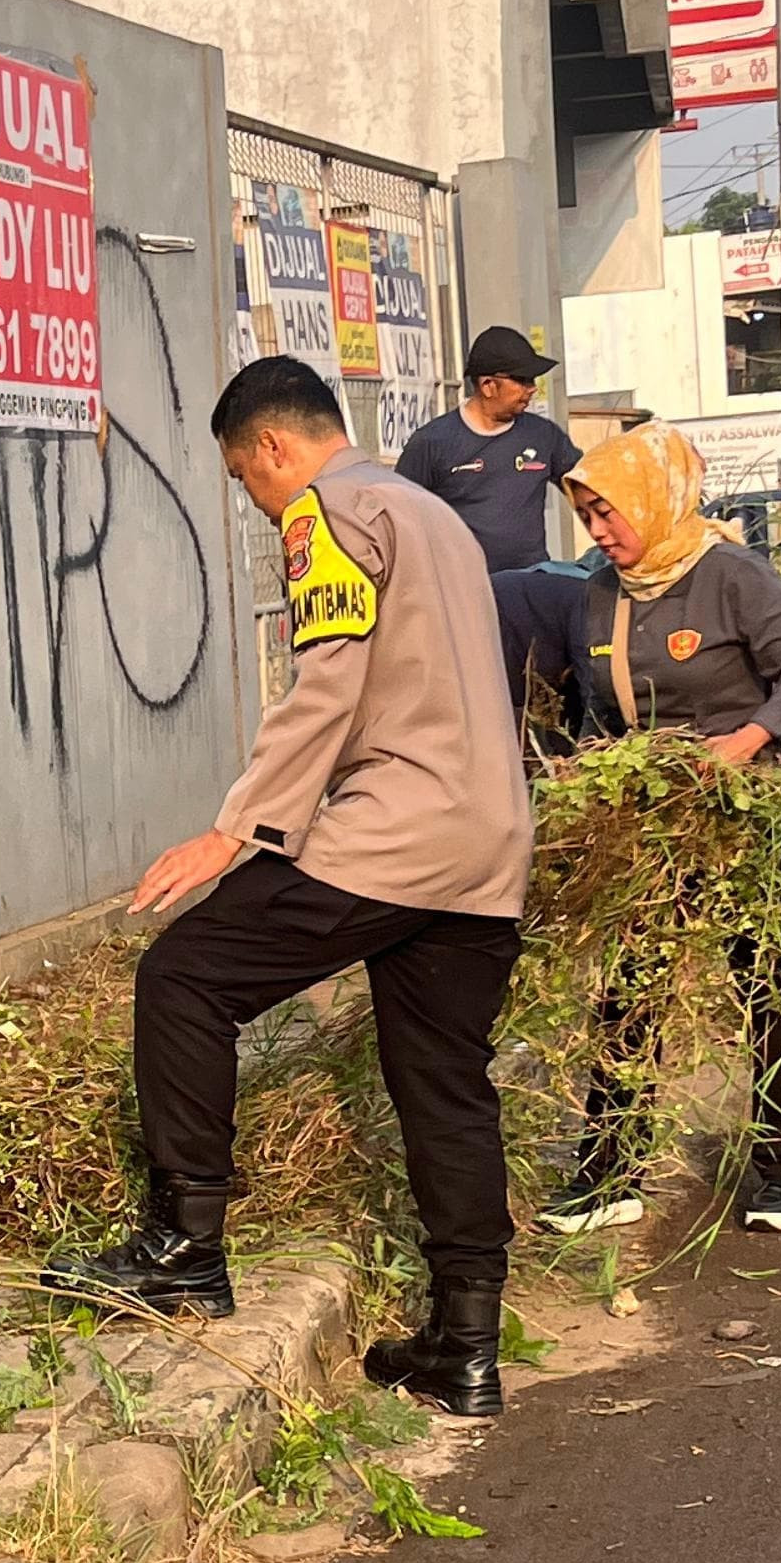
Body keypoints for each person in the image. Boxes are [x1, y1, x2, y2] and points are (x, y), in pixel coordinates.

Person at [66, 355, 532, 1417]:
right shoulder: (433, 512)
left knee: (185, 978)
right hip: (488, 840)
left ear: (272, 448)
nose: (254, 497)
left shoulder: (327, 510)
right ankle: (466, 1349)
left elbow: (327, 685)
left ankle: (184, 1245)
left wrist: (234, 833)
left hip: (394, 832)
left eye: (243, 477)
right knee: (446, 1088)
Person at [530, 422, 781, 1238]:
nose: (598, 533)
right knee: (630, 992)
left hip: (746, 815)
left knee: (761, 986)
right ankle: (609, 1172)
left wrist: (751, 738)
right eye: (588, 517)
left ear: (652, 501)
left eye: (608, 515)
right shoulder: (600, 591)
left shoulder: (732, 574)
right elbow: (597, 707)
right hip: (653, 823)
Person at [393, 323, 585, 572]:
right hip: (464, 590)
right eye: (522, 380)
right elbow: (398, 519)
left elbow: (589, 491)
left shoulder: (544, 435)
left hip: (530, 586)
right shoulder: (432, 442)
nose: (532, 388)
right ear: (488, 386)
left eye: (533, 380)